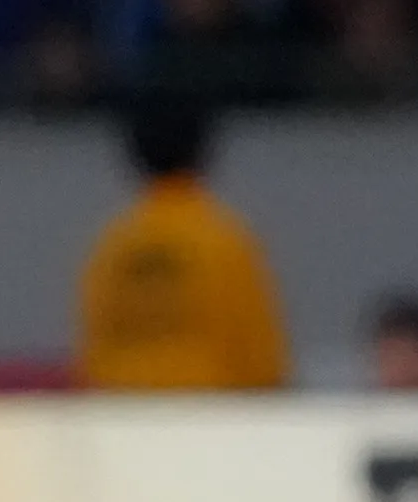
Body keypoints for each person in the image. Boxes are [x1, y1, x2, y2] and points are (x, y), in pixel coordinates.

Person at [75, 96, 291, 390]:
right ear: (205, 151)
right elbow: (261, 358)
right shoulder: (225, 240)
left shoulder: (111, 247)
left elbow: (92, 354)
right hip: (206, 422)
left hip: (124, 420)